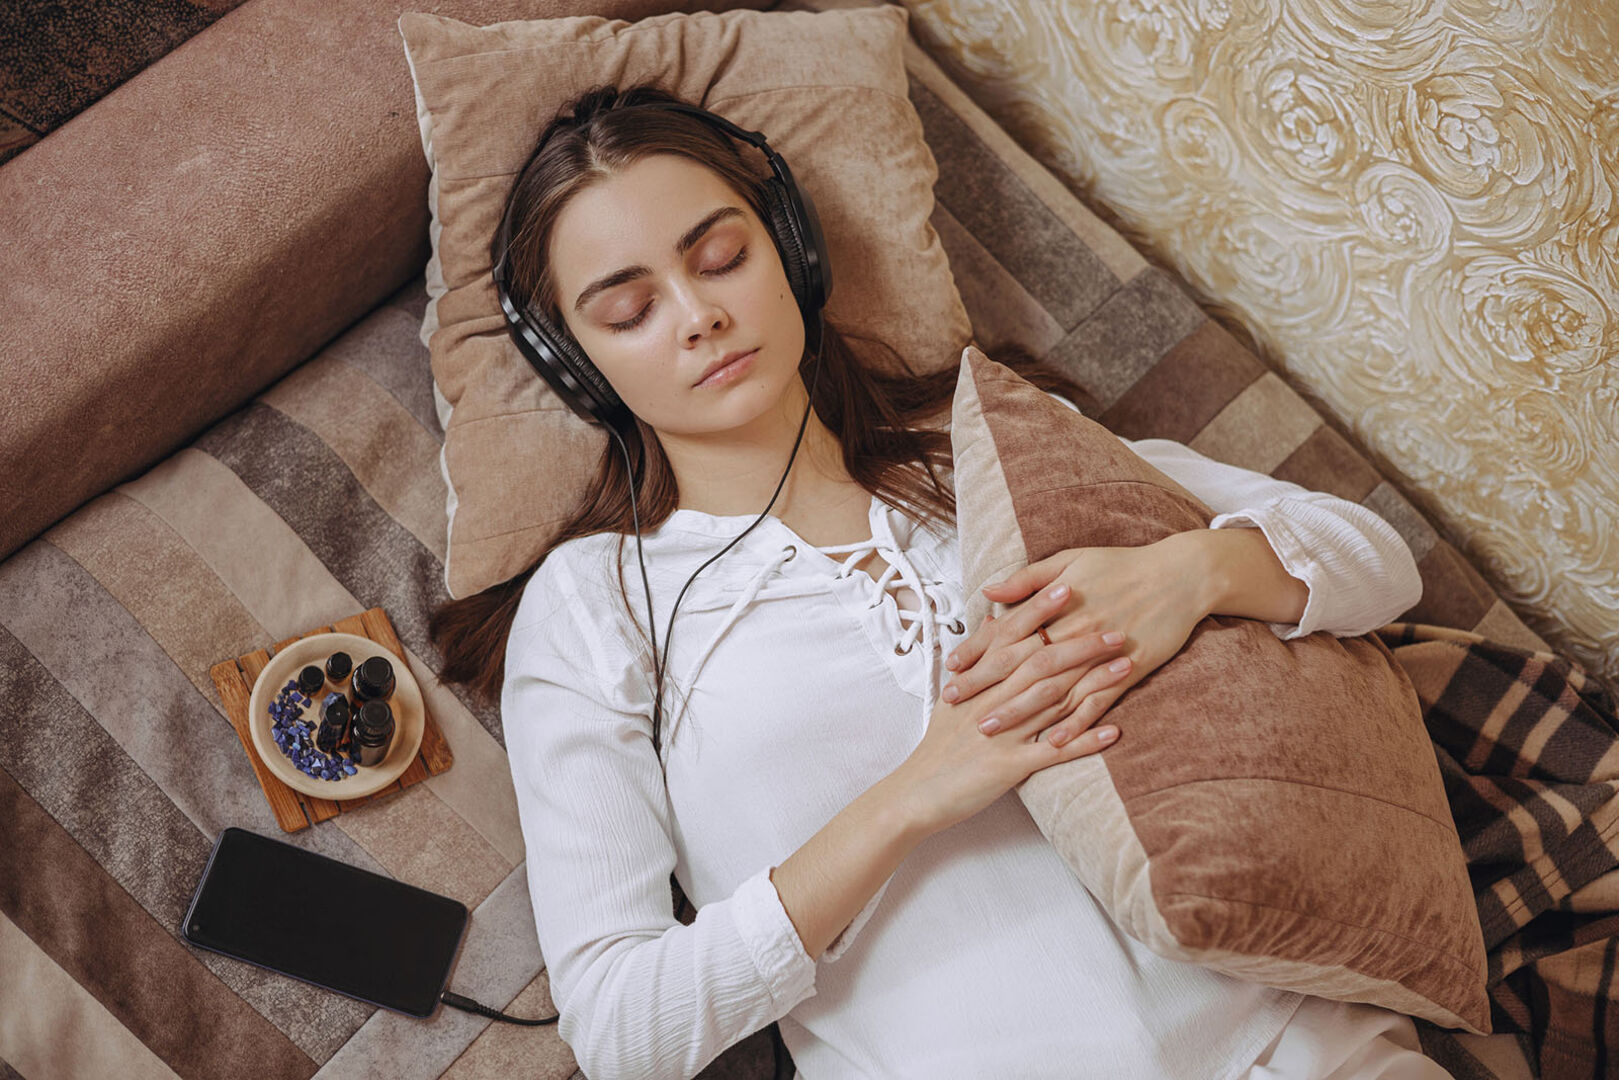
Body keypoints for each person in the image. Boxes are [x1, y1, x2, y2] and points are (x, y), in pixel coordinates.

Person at [428, 84, 1450, 1080]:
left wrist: (1188, 574)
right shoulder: (593, 606)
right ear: (575, 363)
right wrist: (914, 794)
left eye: (721, 257)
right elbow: (619, 1032)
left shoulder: (982, 445)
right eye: (631, 309)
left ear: (791, 250)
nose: (697, 315)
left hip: (1302, 1048)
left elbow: (1373, 560)